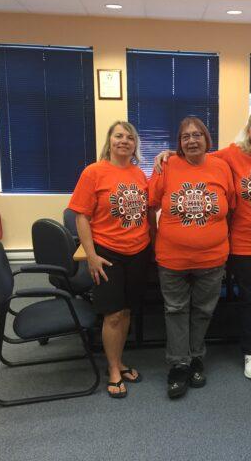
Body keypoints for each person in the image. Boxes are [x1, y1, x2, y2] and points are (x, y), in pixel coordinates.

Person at [154, 109, 251, 380]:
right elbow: (198, 155)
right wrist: (170, 154)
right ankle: (250, 353)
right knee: (248, 301)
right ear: (248, 130)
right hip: (244, 244)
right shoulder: (231, 154)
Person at [148, 116, 235, 399]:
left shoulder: (221, 167)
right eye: (186, 136)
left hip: (212, 258)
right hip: (172, 257)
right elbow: (151, 205)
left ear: (207, 140)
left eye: (198, 134)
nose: (192, 140)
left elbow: (230, 208)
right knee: (175, 310)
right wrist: (151, 240)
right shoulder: (166, 165)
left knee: (203, 310)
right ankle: (178, 364)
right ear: (179, 144)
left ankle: (196, 357)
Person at [68, 121, 153, 399]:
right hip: (108, 253)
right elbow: (81, 215)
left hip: (138, 251)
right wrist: (91, 255)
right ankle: (113, 369)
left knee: (127, 311)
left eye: (130, 137)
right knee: (113, 314)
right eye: (119, 136)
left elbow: (148, 212)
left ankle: (119, 361)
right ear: (110, 140)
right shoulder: (94, 172)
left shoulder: (140, 174)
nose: (124, 141)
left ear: (135, 144)